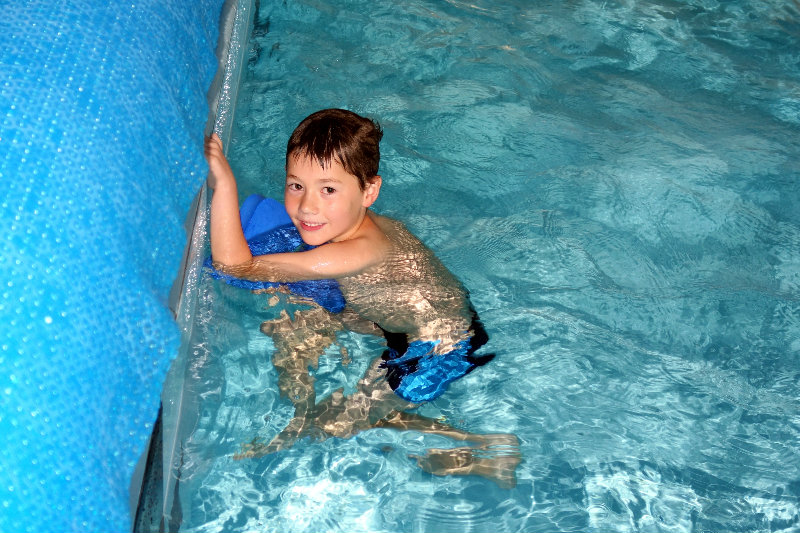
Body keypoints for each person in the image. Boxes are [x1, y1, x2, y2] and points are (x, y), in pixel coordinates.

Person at [205, 108, 520, 487]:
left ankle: (483, 451)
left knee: (333, 423)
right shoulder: (369, 228)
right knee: (305, 320)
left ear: (369, 191)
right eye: (296, 186)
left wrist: (224, 184)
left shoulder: (352, 253)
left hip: (437, 350)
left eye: (328, 190)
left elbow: (235, 266)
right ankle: (454, 439)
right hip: (415, 322)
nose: (307, 207)